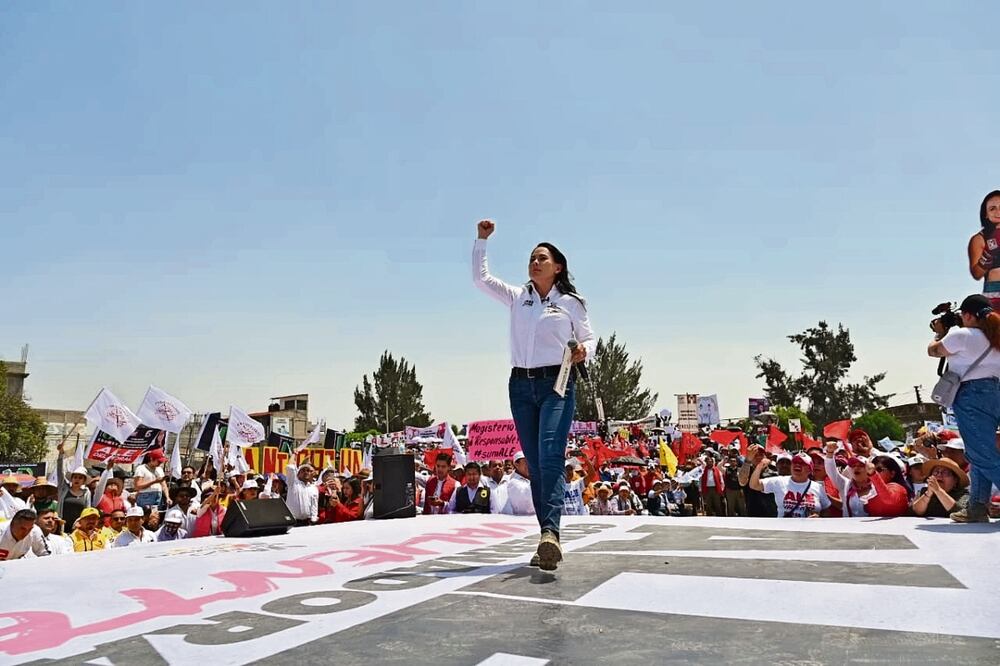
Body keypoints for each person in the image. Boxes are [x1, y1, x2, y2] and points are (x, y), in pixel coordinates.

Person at [473, 219, 597, 571]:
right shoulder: (518, 298)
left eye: (542, 258)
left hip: (556, 383)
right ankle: (548, 538)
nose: (535, 262)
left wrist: (584, 352)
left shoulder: (572, 302)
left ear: (558, 267)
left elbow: (590, 338)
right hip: (520, 385)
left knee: (550, 454)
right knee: (536, 463)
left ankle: (550, 533)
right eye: (532, 258)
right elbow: (481, 280)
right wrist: (482, 241)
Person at [928, 293, 1000, 522]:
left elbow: (933, 351)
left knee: (982, 454)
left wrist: (940, 332)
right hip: (995, 392)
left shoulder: (960, 335)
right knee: (977, 452)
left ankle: (976, 507)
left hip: (971, 395)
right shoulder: (996, 336)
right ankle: (976, 507)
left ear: (967, 315)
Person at [749, 447, 830, 518]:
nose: (797, 465)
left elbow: (826, 510)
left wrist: (819, 518)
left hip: (809, 532)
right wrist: (759, 466)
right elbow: (754, 485)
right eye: (795, 462)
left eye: (802, 463)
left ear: (809, 469)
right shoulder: (779, 481)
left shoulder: (818, 487)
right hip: (785, 531)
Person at [967, 190, 1000, 308]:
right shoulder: (980, 238)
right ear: (985, 213)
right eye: (992, 208)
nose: (998, 212)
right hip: (995, 291)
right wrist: (988, 256)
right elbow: (976, 274)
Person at [59, 466, 93, 532]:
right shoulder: (64, 490)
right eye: (75, 477)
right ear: (71, 479)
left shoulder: (86, 492)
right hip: (62, 526)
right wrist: (61, 457)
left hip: (78, 527)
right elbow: (60, 473)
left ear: (84, 481)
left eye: (80, 478)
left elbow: (87, 511)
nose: (77, 479)